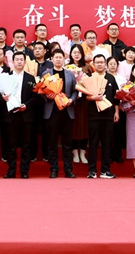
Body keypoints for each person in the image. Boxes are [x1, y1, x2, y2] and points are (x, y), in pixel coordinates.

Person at [1, 52, 39, 178]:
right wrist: (3, 98)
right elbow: (0, 96)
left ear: (24, 62)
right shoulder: (6, 77)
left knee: (26, 145)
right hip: (11, 115)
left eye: (21, 60)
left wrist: (26, 105)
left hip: (25, 115)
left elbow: (35, 97)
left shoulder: (30, 78)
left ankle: (24, 172)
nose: (19, 62)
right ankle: (11, 171)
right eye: (16, 59)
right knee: (10, 145)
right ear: (12, 62)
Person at [42, 49, 77, 177]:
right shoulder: (46, 74)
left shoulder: (70, 74)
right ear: (51, 59)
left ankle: (68, 169)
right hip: (52, 112)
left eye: (60, 57)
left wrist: (71, 100)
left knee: (67, 143)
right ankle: (53, 169)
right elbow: (41, 91)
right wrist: (47, 96)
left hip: (67, 111)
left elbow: (75, 90)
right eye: (56, 57)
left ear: (64, 59)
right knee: (52, 142)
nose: (58, 59)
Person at [85, 54, 120, 179]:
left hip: (108, 115)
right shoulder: (89, 77)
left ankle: (105, 170)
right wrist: (92, 97)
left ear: (105, 64)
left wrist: (116, 112)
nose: (99, 64)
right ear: (93, 64)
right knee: (93, 143)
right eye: (97, 62)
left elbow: (116, 97)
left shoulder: (110, 78)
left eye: (102, 62)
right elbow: (85, 97)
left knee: (107, 143)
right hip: (94, 115)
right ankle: (92, 170)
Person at [68, 44, 91, 164]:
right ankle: (74, 153)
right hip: (71, 101)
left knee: (84, 127)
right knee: (73, 127)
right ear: (71, 54)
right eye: (74, 52)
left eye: (79, 52)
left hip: (84, 102)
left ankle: (83, 152)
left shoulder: (87, 67)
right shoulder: (67, 67)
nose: (76, 54)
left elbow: (92, 84)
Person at [107, 57, 126, 164]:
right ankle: (109, 155)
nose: (113, 66)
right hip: (107, 108)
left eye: (114, 64)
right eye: (111, 64)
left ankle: (118, 154)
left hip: (120, 107)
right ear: (107, 65)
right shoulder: (105, 77)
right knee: (108, 133)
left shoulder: (122, 79)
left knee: (119, 133)